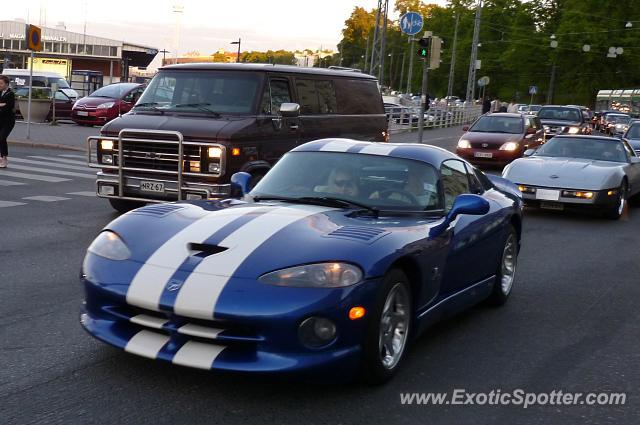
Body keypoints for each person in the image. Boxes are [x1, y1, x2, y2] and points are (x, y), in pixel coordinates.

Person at [0, 74, 15, 168]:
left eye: (1, 83)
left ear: (6, 84)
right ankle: (1, 157)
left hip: (8, 121)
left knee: (2, 137)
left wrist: (3, 105)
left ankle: (4, 158)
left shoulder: (10, 94)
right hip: (0, 120)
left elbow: (8, 107)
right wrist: (1, 104)